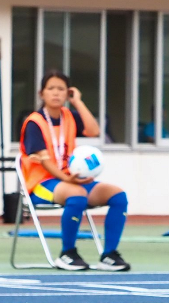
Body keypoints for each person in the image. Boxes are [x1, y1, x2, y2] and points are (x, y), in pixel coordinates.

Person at [20, 71, 130, 271]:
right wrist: (66, 179)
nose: (56, 93)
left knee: (118, 195)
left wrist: (77, 102)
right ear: (41, 93)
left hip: (70, 181)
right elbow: (44, 160)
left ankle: (109, 255)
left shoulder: (69, 117)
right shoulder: (34, 122)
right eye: (51, 88)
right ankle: (67, 253)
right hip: (41, 185)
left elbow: (95, 131)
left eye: (61, 89)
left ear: (67, 93)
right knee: (78, 194)